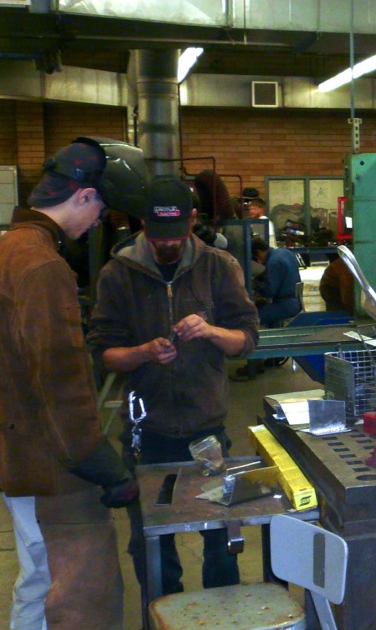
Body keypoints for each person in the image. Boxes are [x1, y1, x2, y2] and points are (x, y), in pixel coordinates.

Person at [0, 137, 146, 630]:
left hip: (22, 457)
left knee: (35, 590)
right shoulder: (43, 266)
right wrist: (108, 469)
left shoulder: (9, 250)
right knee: (75, 606)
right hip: (49, 466)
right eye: (101, 211)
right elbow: (61, 385)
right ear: (84, 195)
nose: (100, 223)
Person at [88, 176, 259, 606]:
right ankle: (161, 624)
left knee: (220, 535)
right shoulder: (118, 274)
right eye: (158, 236)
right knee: (153, 542)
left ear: (193, 220)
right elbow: (104, 354)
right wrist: (143, 352)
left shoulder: (220, 266)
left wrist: (211, 330)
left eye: (177, 236)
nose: (168, 246)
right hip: (150, 433)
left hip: (207, 430)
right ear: (142, 223)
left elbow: (247, 341)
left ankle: (223, 619)